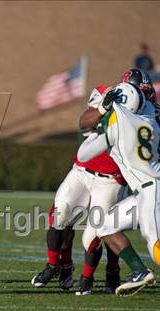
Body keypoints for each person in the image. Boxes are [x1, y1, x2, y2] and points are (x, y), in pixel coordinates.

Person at [31, 86, 126, 295]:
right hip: (83, 171)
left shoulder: (146, 114)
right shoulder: (107, 93)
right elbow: (84, 122)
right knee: (60, 212)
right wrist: (103, 108)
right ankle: (54, 265)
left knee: (98, 231)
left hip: (112, 179)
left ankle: (93, 276)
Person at [77, 82, 159, 296]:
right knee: (104, 226)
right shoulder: (150, 120)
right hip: (144, 192)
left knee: (155, 246)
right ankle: (139, 272)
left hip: (152, 190)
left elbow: (83, 155)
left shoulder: (117, 129)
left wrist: (103, 118)